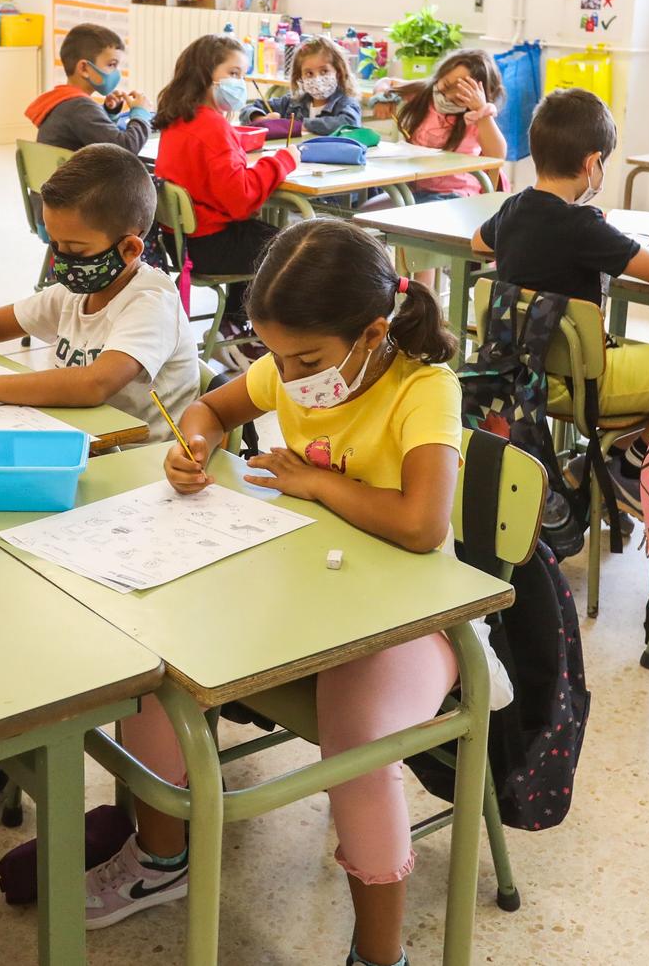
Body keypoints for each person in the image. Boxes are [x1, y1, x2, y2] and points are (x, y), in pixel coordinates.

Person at [101, 219, 464, 966]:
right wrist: (193, 444)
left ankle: (380, 953)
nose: (291, 376)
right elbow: (211, 407)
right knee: (155, 646)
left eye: (306, 359)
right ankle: (160, 859)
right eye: (275, 356)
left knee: (358, 742)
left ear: (370, 334)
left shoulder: (424, 389)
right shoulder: (295, 368)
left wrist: (313, 480)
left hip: (413, 624)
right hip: (300, 600)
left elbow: (423, 524)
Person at [472, 87, 649, 507]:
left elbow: (478, 243)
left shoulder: (515, 208)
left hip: (522, 377)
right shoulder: (584, 227)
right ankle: (630, 463)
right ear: (593, 164)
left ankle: (592, 465)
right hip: (579, 383)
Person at [0, 144, 197, 442]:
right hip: (83, 441)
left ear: (130, 249)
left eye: (75, 249)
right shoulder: (75, 294)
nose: (61, 259)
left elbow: (94, 384)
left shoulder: (151, 303)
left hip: (144, 462)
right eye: (55, 245)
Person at [151, 33, 297, 340]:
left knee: (258, 233)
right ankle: (242, 331)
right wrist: (282, 161)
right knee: (293, 250)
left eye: (242, 75)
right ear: (205, 75)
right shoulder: (214, 125)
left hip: (180, 243)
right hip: (210, 246)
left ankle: (231, 325)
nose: (239, 83)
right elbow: (241, 200)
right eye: (233, 74)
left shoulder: (177, 119)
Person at [392, 47, 508, 201]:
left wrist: (481, 111)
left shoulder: (477, 117)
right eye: (446, 86)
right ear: (439, 77)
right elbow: (387, 84)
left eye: (462, 95)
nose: (449, 96)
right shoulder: (427, 94)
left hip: (454, 195)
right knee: (366, 211)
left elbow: (497, 155)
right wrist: (382, 98)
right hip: (413, 190)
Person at [25, 22, 150, 153]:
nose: (116, 73)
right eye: (111, 65)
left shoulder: (63, 100)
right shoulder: (80, 107)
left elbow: (97, 137)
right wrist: (141, 114)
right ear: (84, 68)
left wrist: (109, 114)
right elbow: (125, 149)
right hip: (80, 173)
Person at [239, 35, 365, 137]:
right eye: (309, 73)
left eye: (324, 71)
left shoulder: (346, 102)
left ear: (339, 71)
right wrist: (262, 118)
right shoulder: (293, 102)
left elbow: (350, 124)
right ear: (300, 78)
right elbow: (247, 110)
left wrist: (300, 125)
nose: (317, 78)